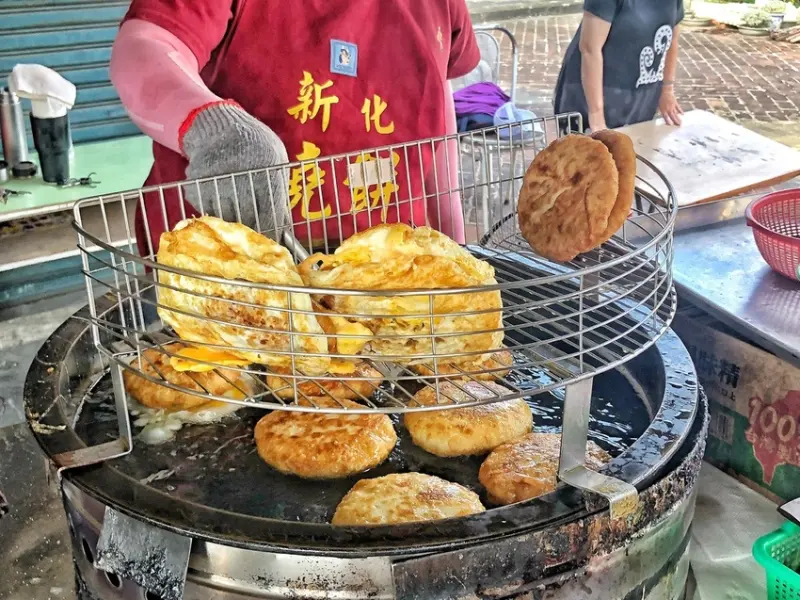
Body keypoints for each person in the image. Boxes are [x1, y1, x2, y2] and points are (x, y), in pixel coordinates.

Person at [110, 1, 480, 256]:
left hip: (392, 268)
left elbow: (436, 97)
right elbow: (147, 46)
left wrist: (453, 241)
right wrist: (215, 128)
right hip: (224, 269)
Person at [553, 0, 685, 133]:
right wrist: (596, 115)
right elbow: (590, 49)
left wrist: (667, 90)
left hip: (640, 97)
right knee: (589, 152)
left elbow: (671, 39)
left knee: (633, 148)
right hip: (594, 94)